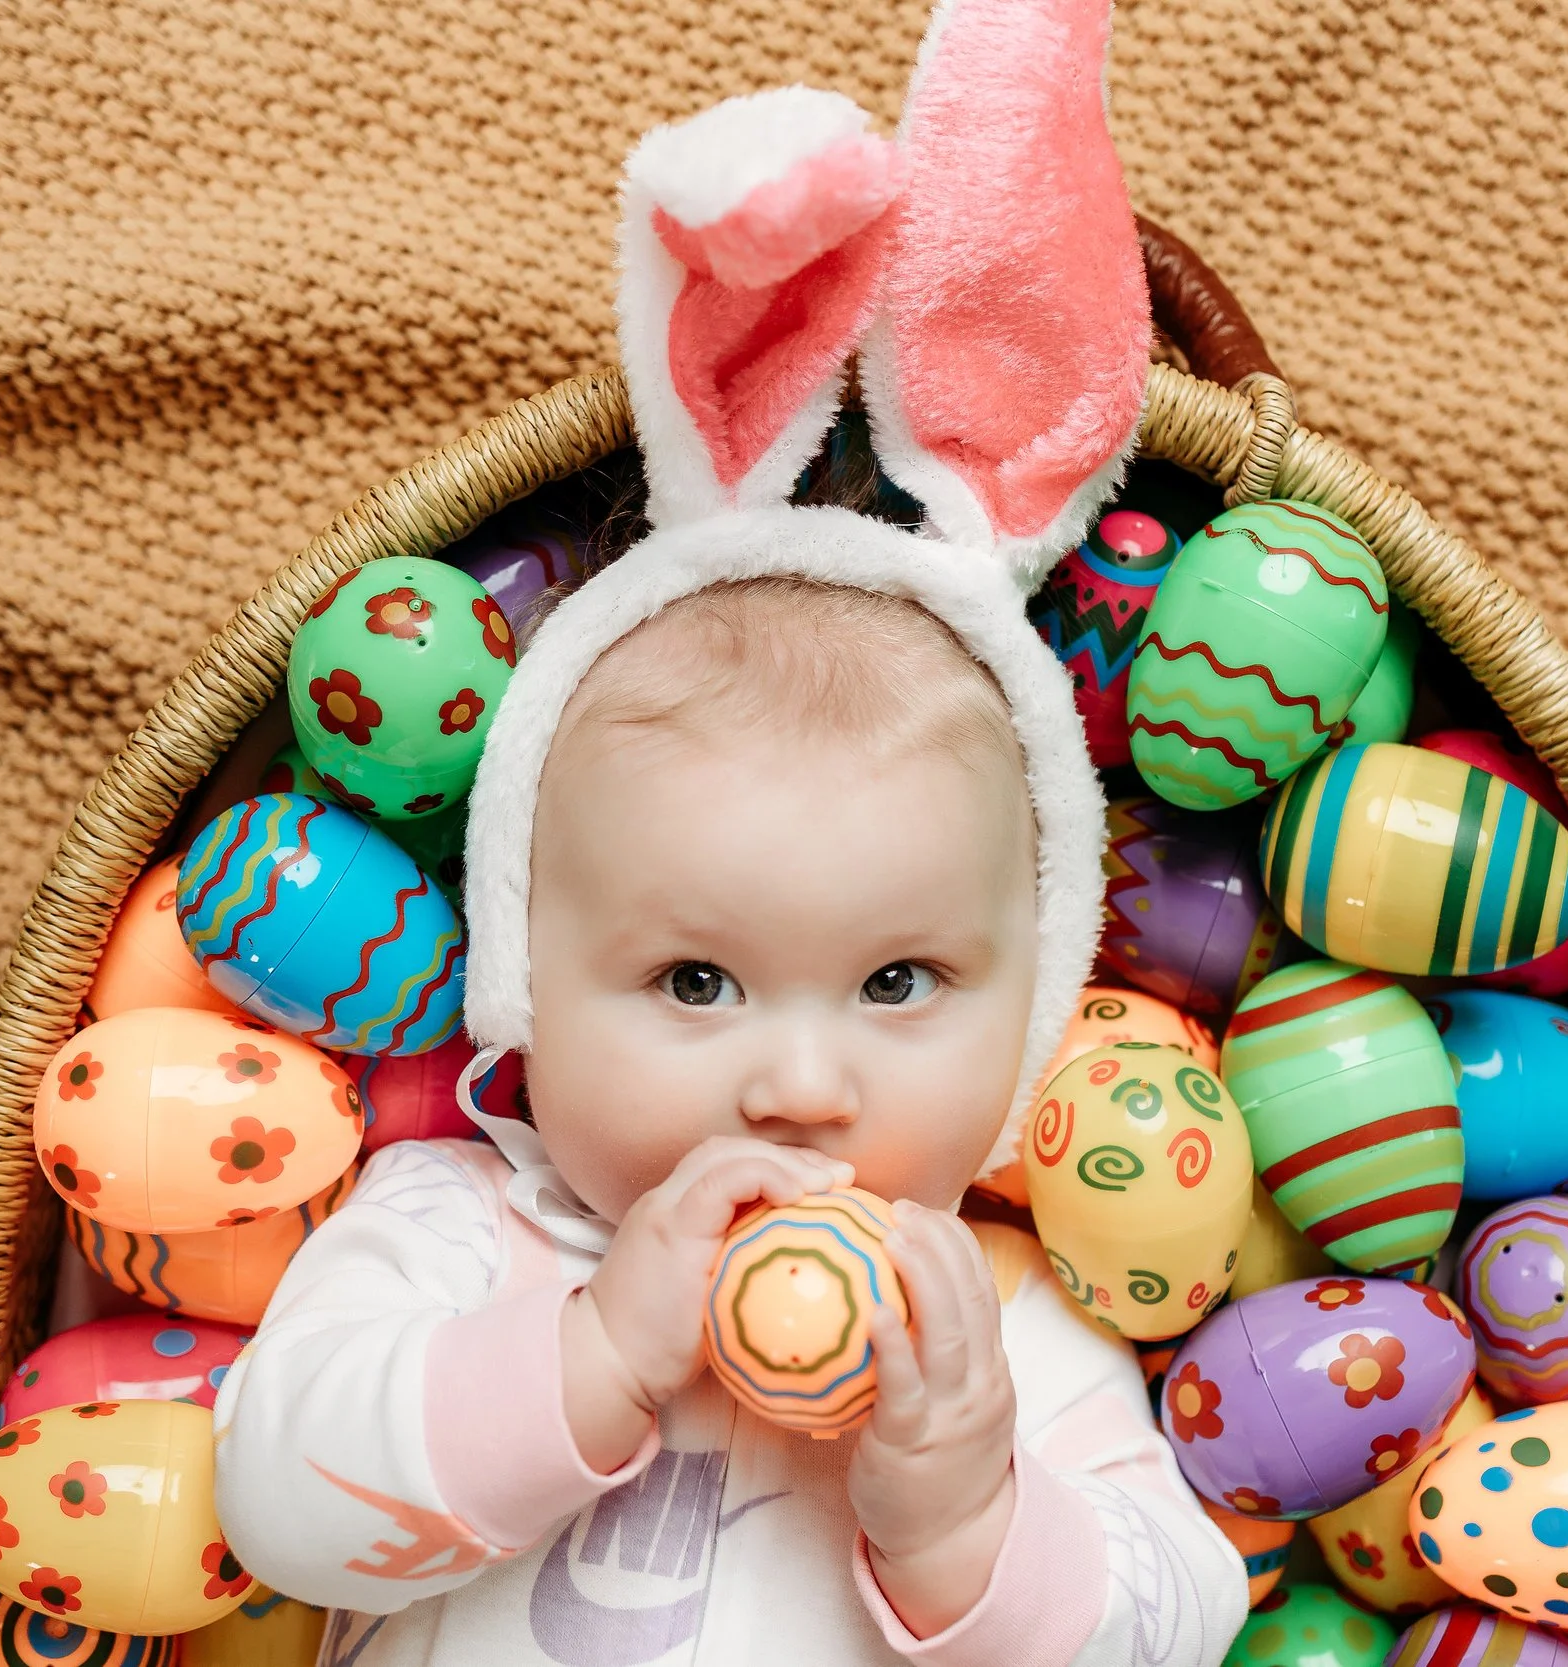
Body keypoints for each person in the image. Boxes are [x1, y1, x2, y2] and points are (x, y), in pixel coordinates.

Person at [212, 4, 1250, 1661]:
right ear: (522, 978)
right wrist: (588, 1355)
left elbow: (1178, 1625)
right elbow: (278, 1504)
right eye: (696, 981)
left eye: (902, 980)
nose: (800, 1085)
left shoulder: (1013, 1327)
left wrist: (966, 1510)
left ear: (1039, 1006)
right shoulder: (451, 1228)